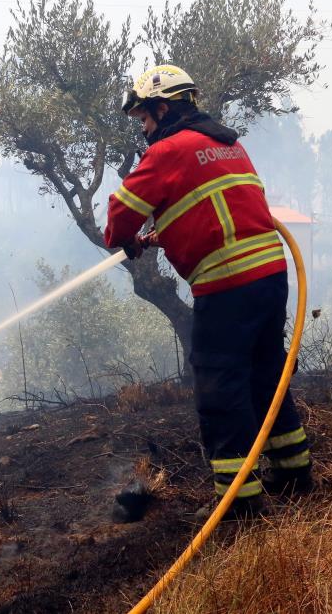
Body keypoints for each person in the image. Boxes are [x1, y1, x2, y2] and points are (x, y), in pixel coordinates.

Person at [105, 65, 312, 515]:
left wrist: (123, 240)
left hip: (227, 285)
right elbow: (220, 208)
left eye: (143, 119)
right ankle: (295, 472)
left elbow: (121, 212)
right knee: (264, 376)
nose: (143, 130)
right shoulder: (228, 145)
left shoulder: (167, 151)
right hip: (270, 278)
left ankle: (238, 503)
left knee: (221, 388)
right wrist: (172, 232)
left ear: (163, 108)